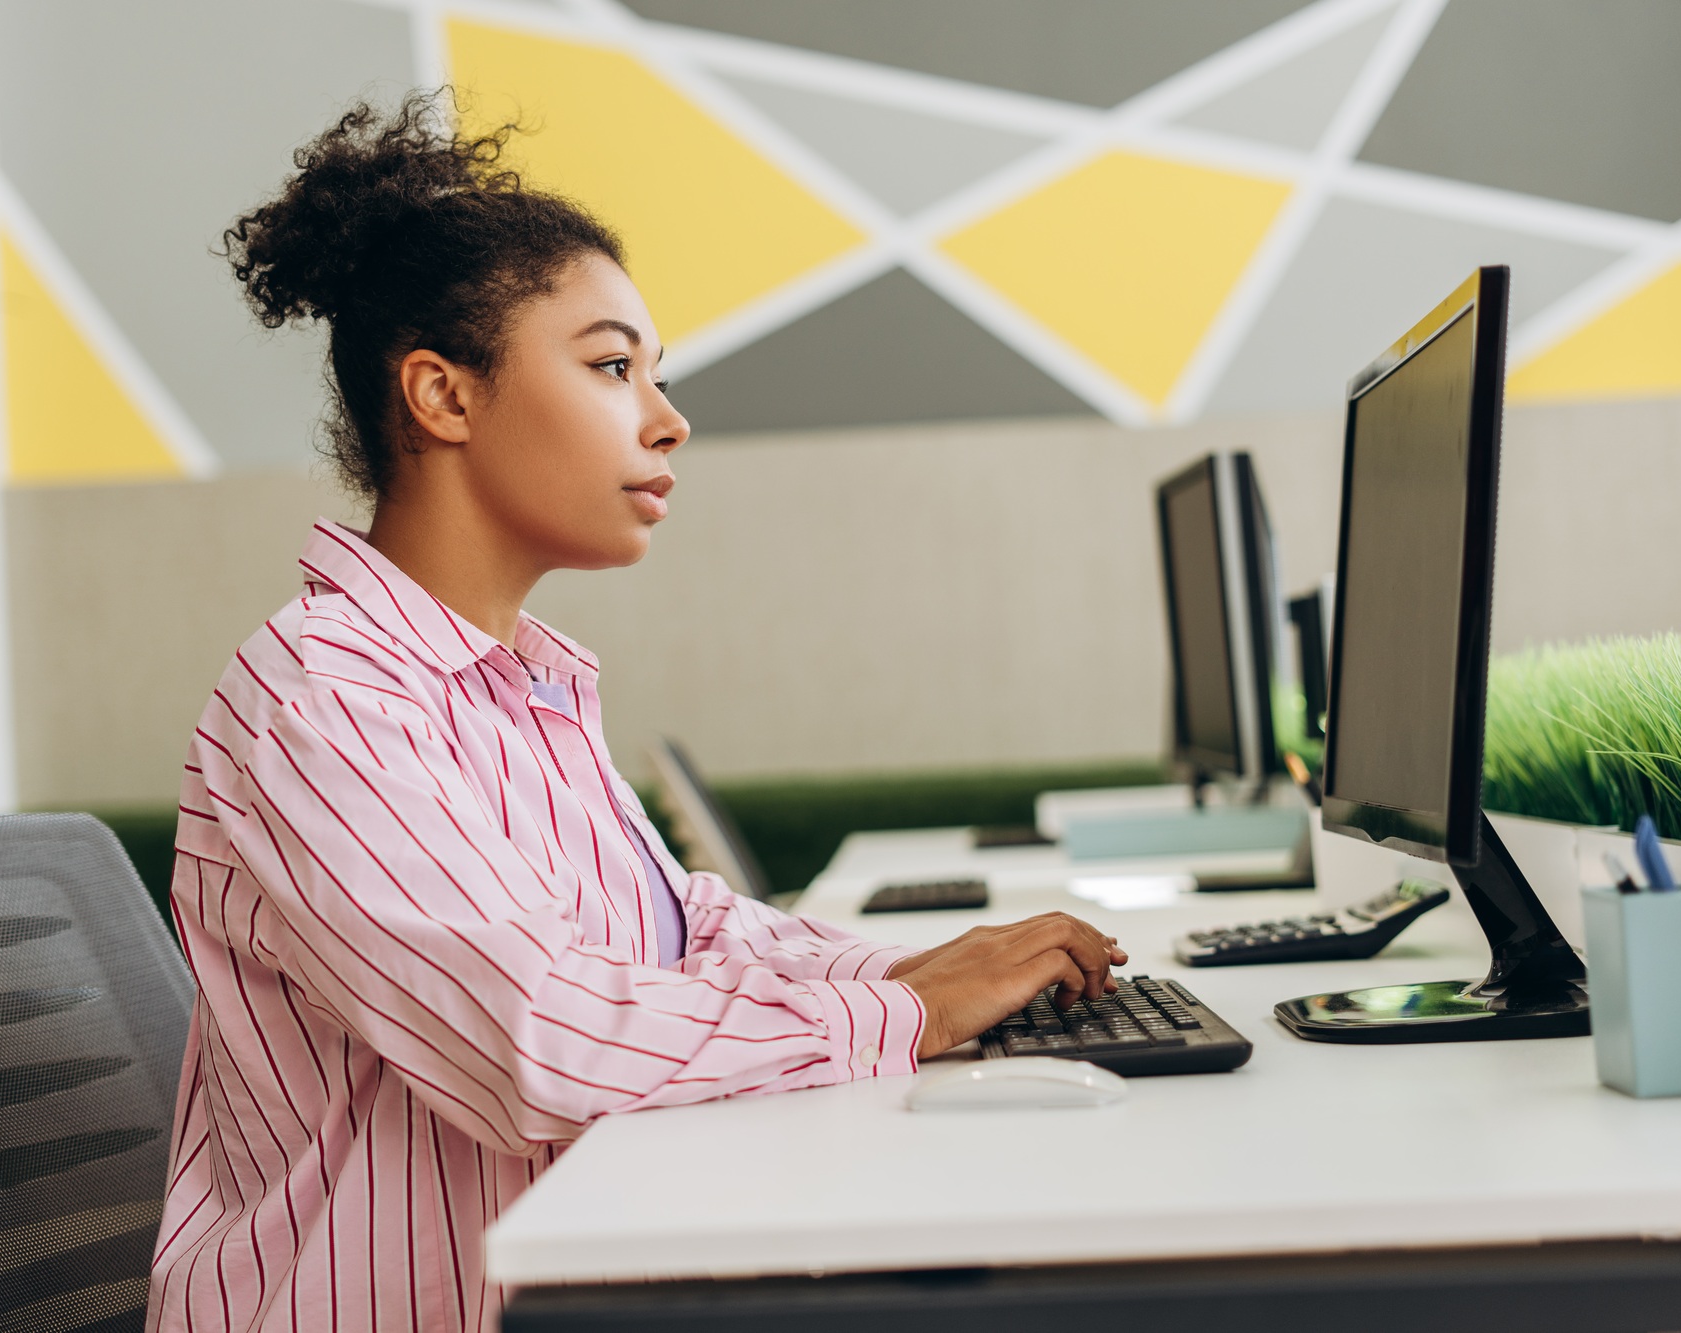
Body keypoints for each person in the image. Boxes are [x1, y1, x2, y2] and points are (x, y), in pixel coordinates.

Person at [148, 95, 1125, 1333]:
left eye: (656, 374)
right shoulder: (321, 702)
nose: (666, 419)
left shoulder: (520, 686)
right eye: (613, 367)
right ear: (443, 398)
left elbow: (676, 934)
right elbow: (536, 1043)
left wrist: (920, 970)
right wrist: (911, 1009)